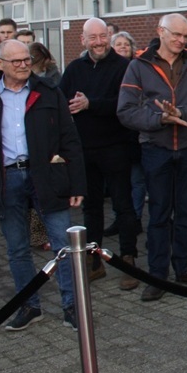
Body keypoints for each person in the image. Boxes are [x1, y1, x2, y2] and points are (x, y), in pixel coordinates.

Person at [0, 39, 86, 331]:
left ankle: (72, 306)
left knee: (63, 245)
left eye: (26, 59)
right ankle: (29, 305)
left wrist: (77, 183)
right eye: (17, 61)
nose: (24, 65)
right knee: (17, 248)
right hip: (5, 178)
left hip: (46, 176)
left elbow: (69, 137)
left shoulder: (48, 91)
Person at [117, 13, 187, 301]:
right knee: (159, 214)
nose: (181, 41)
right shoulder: (139, 66)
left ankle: (185, 267)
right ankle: (157, 275)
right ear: (160, 31)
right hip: (155, 149)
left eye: (186, 36)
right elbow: (125, 111)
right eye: (176, 35)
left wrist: (182, 113)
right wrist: (160, 118)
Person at [59, 18, 139, 290]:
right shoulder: (74, 69)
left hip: (116, 147)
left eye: (102, 36)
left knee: (123, 206)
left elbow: (127, 104)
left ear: (109, 36)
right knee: (91, 209)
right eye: (92, 38)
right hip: (84, 150)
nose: (98, 42)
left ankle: (129, 260)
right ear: (83, 40)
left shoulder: (125, 67)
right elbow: (62, 101)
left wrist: (91, 104)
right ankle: (95, 261)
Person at [109, 31, 147, 228]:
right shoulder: (110, 70)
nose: (123, 47)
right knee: (120, 182)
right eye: (119, 44)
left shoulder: (139, 68)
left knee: (137, 179)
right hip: (115, 134)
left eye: (126, 44)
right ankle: (122, 218)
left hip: (135, 133)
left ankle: (136, 218)